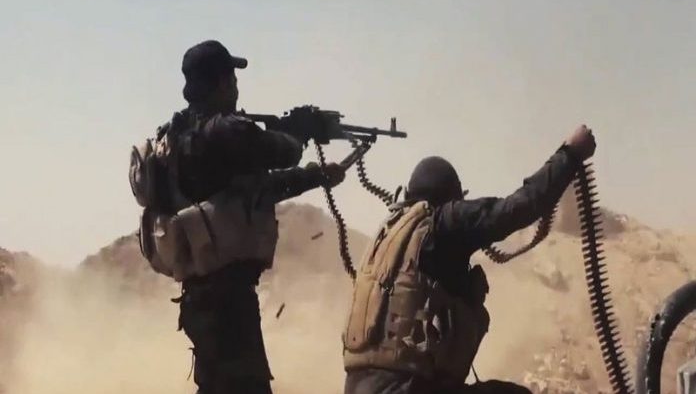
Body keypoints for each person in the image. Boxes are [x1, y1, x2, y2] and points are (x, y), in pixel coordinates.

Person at [130, 40, 345, 394]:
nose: (235, 86)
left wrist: (315, 176)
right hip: (228, 303)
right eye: (232, 78)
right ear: (221, 83)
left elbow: (251, 193)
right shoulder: (224, 131)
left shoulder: (177, 136)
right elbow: (283, 151)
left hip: (200, 299)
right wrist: (300, 130)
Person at [342, 125, 596, 394]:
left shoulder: (388, 239)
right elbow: (517, 208)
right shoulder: (443, 222)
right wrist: (570, 153)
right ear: (452, 196)